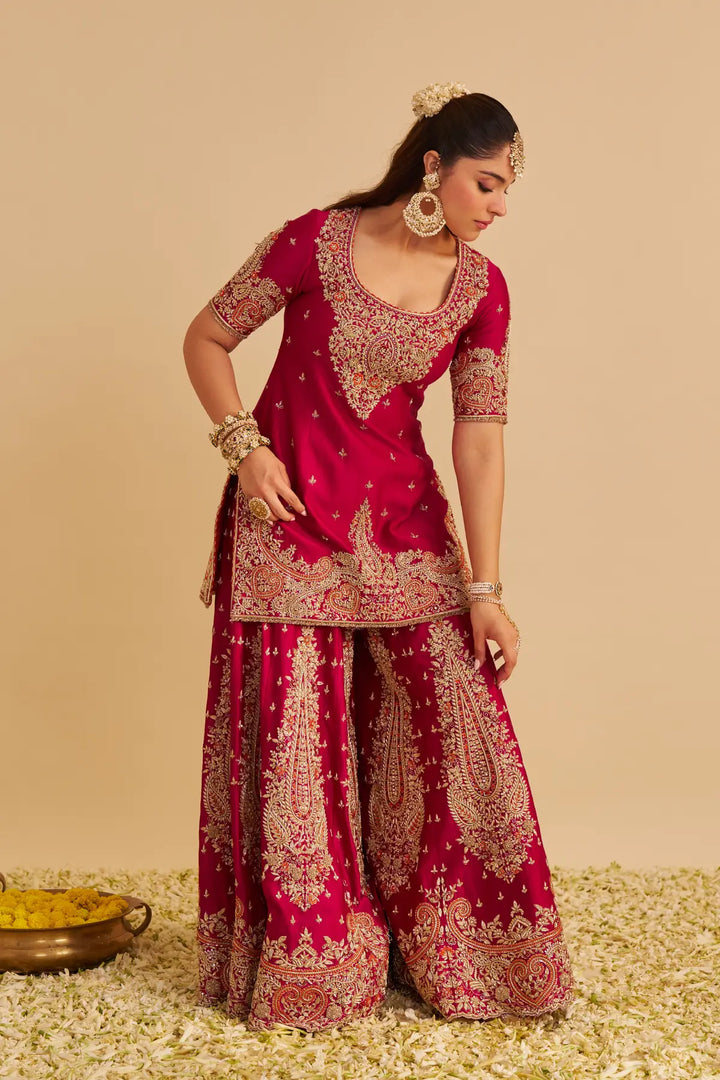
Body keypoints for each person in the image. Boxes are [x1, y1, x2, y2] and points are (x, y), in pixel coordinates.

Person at [183, 81, 576, 1032]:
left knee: (455, 734)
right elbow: (206, 336)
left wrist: (485, 589)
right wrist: (244, 450)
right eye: (489, 183)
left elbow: (479, 438)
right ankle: (314, 962)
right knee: (295, 754)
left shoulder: (483, 290)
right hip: (288, 529)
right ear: (434, 166)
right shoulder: (312, 240)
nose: (500, 207)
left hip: (405, 535)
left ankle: (465, 953)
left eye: (509, 189)